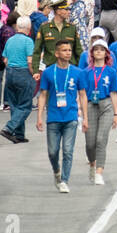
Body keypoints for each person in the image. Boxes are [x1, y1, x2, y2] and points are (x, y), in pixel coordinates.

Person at [36, 39, 89, 193]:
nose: (68, 53)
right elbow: (43, 95)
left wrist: (85, 118)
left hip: (71, 117)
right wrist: (39, 116)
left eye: (69, 50)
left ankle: (64, 180)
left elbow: (83, 95)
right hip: (53, 117)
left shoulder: (78, 72)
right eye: (64, 50)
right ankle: (56, 171)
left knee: (67, 150)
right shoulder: (47, 73)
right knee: (53, 151)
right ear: (57, 53)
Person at [82, 40, 117, 184]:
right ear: (91, 53)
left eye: (101, 49)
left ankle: (99, 172)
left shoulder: (111, 71)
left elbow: (114, 93)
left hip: (106, 105)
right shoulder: (86, 72)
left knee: (101, 139)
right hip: (90, 104)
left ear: (106, 53)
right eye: (95, 49)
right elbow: (83, 93)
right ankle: (92, 163)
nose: (98, 52)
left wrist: (116, 114)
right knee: (90, 143)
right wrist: (82, 113)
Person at [1, 17, 35, 144]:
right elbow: (30, 61)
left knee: (15, 104)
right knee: (25, 105)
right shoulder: (28, 41)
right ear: (28, 28)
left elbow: (5, 59)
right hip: (23, 71)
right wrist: (34, 74)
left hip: (10, 72)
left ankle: (19, 134)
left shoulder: (10, 40)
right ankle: (9, 128)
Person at [30, 0, 79, 80]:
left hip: (69, 70)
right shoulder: (45, 27)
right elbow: (37, 50)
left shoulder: (72, 28)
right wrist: (36, 70)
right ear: (58, 11)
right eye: (66, 9)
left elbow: (78, 50)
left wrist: (79, 69)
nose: (69, 12)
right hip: (51, 70)